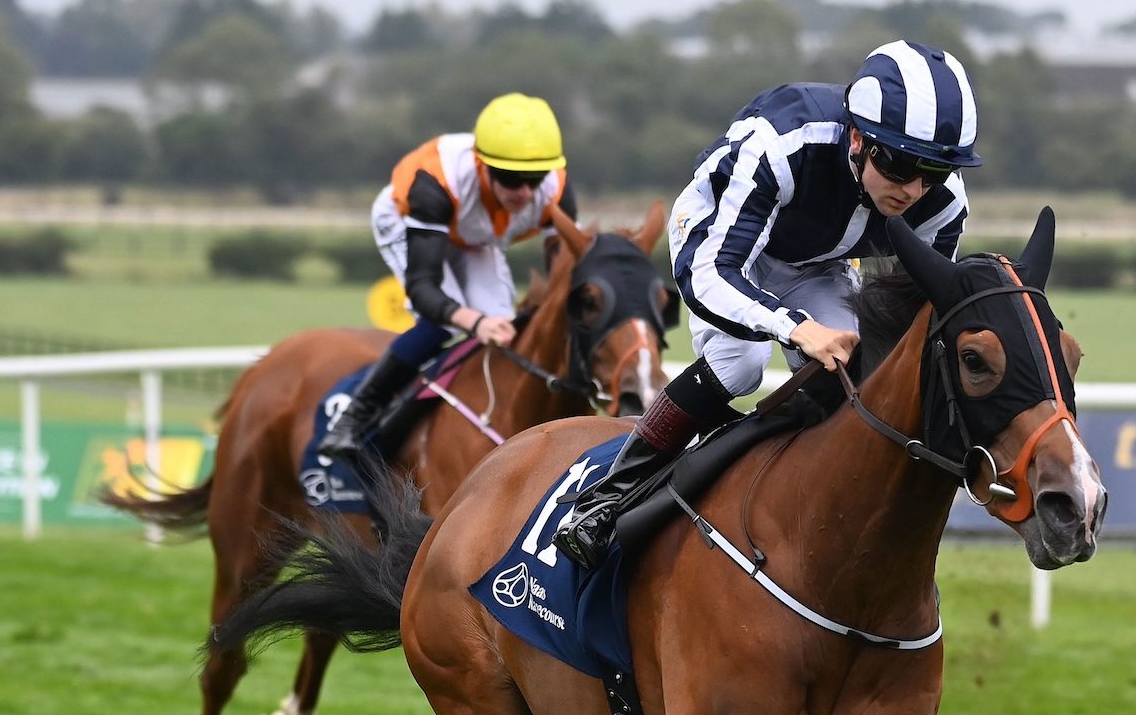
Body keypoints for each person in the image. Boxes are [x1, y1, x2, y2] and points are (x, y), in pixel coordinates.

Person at [552, 40, 976, 569]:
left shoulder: (943, 204)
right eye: (897, 165)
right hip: (720, 246)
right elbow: (711, 273)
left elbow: (920, 325)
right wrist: (796, 328)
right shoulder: (780, 143)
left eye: (934, 172)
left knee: (852, 373)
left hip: (818, 265)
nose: (914, 189)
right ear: (857, 138)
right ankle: (607, 497)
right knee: (741, 365)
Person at [317, 92, 578, 461]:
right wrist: (474, 320)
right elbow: (424, 289)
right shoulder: (434, 184)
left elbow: (565, 274)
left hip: (474, 236)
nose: (524, 193)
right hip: (410, 223)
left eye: (534, 180)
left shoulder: (558, 190)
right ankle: (354, 418)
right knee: (444, 325)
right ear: (482, 164)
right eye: (511, 179)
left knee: (505, 330)